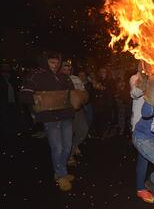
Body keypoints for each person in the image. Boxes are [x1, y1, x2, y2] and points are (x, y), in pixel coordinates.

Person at [20, 51, 75, 191]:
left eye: (57, 62)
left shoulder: (63, 76)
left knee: (67, 146)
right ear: (46, 62)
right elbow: (24, 94)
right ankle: (60, 175)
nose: (55, 65)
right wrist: (36, 99)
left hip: (66, 116)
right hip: (50, 119)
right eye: (52, 62)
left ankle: (61, 171)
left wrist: (78, 97)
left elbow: (72, 94)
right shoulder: (36, 75)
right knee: (57, 148)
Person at [60, 62, 89, 166]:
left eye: (68, 70)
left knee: (83, 130)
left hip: (77, 110)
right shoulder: (58, 79)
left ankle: (72, 148)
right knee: (68, 135)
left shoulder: (76, 78)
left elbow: (84, 93)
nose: (67, 72)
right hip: (65, 111)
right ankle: (69, 156)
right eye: (64, 69)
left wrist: (80, 97)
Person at [0, 63, 20, 140]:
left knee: (12, 116)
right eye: (4, 68)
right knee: (5, 117)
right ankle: (6, 133)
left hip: (12, 102)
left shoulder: (11, 80)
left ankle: (12, 131)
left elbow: (14, 90)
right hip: (4, 102)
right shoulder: (2, 81)